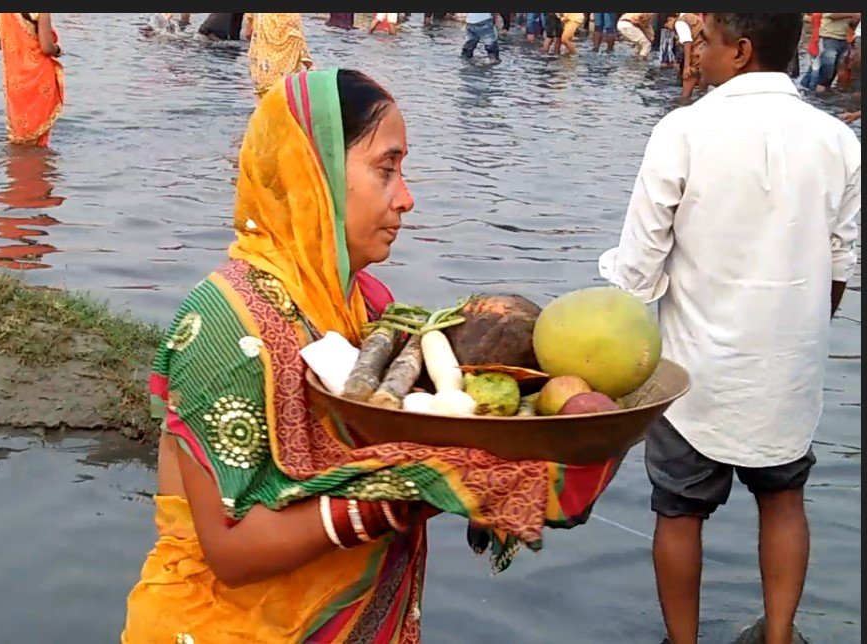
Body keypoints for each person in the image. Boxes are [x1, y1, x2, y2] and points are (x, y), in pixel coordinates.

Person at [121, 68, 620, 642]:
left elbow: (414, 436)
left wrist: (504, 462)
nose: (406, 198)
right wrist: (408, 490)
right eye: (386, 169)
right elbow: (233, 550)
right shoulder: (223, 324)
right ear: (317, 174)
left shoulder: (368, 304)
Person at [599, 14, 860, 644]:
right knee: (783, 499)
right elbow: (839, 261)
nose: (696, 56)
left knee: (680, 511)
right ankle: (779, 636)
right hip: (787, 375)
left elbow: (636, 270)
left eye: (707, 41)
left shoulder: (684, 130)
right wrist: (795, 332)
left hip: (695, 376)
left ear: (740, 51)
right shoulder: (837, 140)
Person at [0, 13, 64, 147]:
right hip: (40, 74)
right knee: (38, 127)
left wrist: (18, 50)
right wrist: (58, 50)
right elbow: (46, 48)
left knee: (19, 126)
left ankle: (18, 161)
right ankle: (36, 162)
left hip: (16, 78)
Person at [244, 13, 313, 100]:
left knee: (265, 98)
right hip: (285, 75)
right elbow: (297, 39)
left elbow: (248, 33)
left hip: (264, 66)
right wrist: (309, 65)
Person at [815, 12, 861, 92]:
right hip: (828, 37)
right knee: (827, 66)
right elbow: (832, 15)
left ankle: (824, 93)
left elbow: (853, 24)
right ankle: (817, 93)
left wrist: (856, 18)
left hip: (844, 38)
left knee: (835, 70)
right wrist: (852, 14)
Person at [670, 13, 708, 101]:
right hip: (707, 53)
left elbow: (687, 41)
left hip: (696, 55)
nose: (666, 27)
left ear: (670, 19)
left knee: (685, 95)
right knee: (702, 93)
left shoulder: (680, 22)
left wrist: (686, 66)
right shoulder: (694, 18)